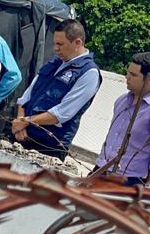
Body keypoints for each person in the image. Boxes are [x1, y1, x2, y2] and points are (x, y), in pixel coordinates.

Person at [12, 19, 101, 159]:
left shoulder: (89, 73)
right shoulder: (55, 61)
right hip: (24, 135)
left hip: (49, 146)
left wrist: (24, 122)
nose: (56, 48)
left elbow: (61, 114)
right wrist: (19, 123)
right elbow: (27, 96)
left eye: (60, 44)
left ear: (77, 43)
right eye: (55, 43)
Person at [92, 52, 150, 185]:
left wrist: (147, 185)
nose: (127, 77)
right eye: (128, 73)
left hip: (128, 179)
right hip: (101, 169)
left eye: (133, 75)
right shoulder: (122, 101)